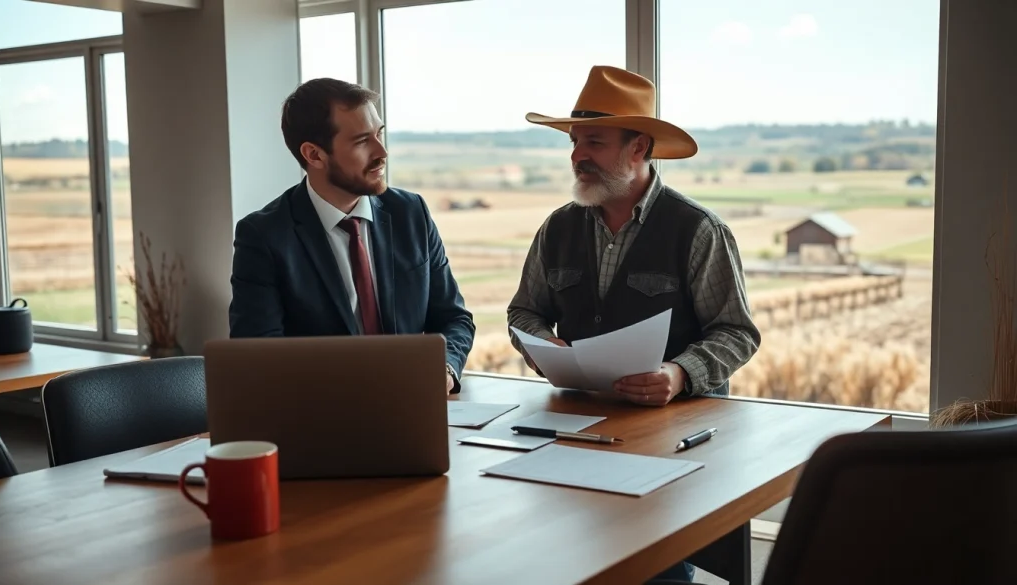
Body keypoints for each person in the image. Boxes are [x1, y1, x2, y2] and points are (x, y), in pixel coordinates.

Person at [507, 66, 761, 582]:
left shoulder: (698, 230)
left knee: (658, 571)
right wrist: (540, 344)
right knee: (569, 553)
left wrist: (678, 373)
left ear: (639, 147)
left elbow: (737, 331)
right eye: (575, 142)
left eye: (594, 142)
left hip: (670, 443)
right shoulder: (556, 227)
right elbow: (523, 311)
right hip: (575, 436)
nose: (577, 154)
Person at [228, 78, 474, 394]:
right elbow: (257, 357)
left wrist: (445, 370)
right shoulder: (263, 236)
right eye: (361, 141)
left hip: (415, 408)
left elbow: (454, 318)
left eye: (379, 134)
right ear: (314, 155)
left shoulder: (410, 213)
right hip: (321, 417)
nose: (382, 152)